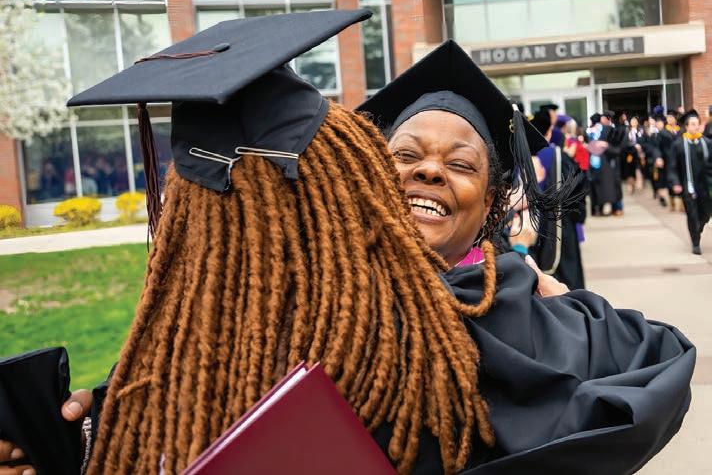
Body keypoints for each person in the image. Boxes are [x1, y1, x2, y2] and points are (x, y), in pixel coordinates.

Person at [2, 33, 695, 475]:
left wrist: (565, 304)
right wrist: (87, 434)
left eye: (460, 164)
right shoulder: (281, 314)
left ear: (490, 204)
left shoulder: (520, 317)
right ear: (362, 178)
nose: (429, 170)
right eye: (404, 155)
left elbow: (657, 370)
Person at [528, 110, 587, 290]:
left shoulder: (519, 156)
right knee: (566, 279)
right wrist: (578, 216)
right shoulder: (559, 157)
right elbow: (578, 190)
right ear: (548, 132)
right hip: (561, 227)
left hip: (528, 229)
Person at [667, 109, 712, 254]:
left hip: (705, 186)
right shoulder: (678, 145)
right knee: (692, 215)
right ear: (686, 126)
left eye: (697, 124)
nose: (695, 127)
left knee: (706, 214)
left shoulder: (707, 143)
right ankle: (695, 243)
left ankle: (698, 229)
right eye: (692, 124)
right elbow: (672, 166)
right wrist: (675, 183)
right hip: (688, 185)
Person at [660, 111, 683, 212]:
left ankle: (682, 204)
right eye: (668, 118)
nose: (669, 119)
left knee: (682, 179)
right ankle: (672, 203)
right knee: (670, 181)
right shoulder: (663, 132)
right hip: (668, 160)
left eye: (671, 117)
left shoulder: (681, 131)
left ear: (675, 119)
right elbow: (659, 146)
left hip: (680, 159)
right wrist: (659, 157)